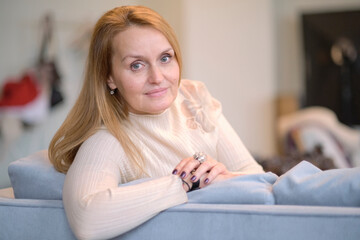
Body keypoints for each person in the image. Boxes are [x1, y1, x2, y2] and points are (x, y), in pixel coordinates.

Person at [48, 5, 264, 239]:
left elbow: (256, 177)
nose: (158, 78)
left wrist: (222, 176)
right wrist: (185, 184)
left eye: (165, 58)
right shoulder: (107, 139)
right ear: (109, 77)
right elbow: (86, 220)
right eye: (136, 65)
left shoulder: (192, 97)